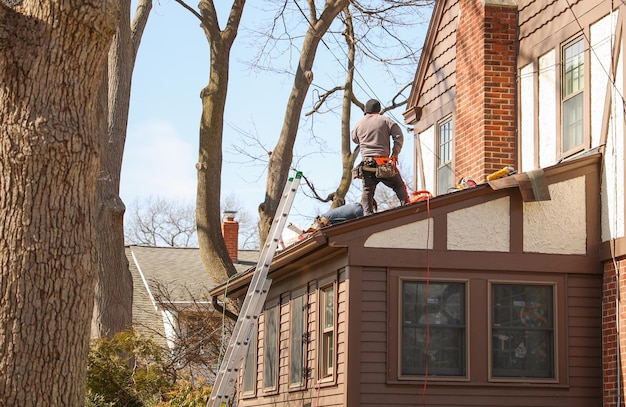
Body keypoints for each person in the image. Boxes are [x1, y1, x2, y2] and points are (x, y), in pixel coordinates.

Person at [351, 99, 408, 215]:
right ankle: (407, 206)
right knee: (398, 185)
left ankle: (367, 215)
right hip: (383, 163)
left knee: (367, 190)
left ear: (366, 111)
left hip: (367, 165)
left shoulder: (358, 124)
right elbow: (399, 136)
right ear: (378, 110)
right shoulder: (385, 120)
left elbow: (355, 139)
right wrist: (395, 154)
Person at [305, 200, 377, 232]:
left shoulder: (354, 205)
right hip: (323, 224)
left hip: (322, 221)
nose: (370, 211)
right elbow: (366, 224)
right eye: (371, 209)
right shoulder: (358, 210)